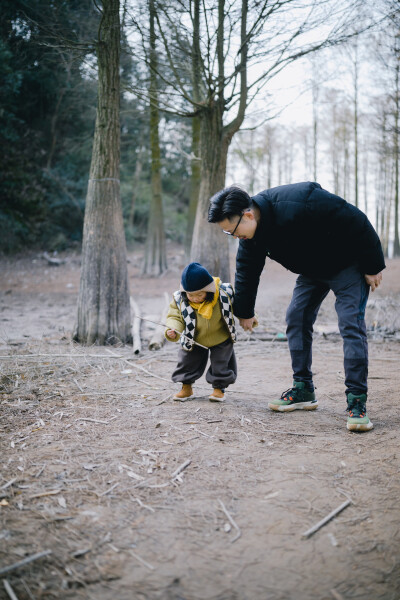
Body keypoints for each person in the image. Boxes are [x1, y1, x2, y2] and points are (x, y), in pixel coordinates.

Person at [208, 182, 385, 431]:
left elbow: (354, 219)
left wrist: (373, 263)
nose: (235, 237)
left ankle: (357, 401)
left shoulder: (301, 202)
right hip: (312, 270)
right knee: (296, 317)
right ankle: (303, 389)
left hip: (348, 264)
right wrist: (244, 312)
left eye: (233, 232)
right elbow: (246, 271)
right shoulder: (250, 236)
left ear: (248, 214)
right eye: (229, 234)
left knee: (349, 323)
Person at [165, 262, 237, 402]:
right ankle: (186, 388)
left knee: (221, 363)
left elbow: (241, 307)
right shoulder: (180, 299)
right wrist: (172, 330)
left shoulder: (223, 294)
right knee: (187, 362)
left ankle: (218, 389)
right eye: (191, 295)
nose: (195, 298)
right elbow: (175, 316)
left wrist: (250, 318)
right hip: (194, 337)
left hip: (220, 336)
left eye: (200, 294)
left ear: (209, 290)